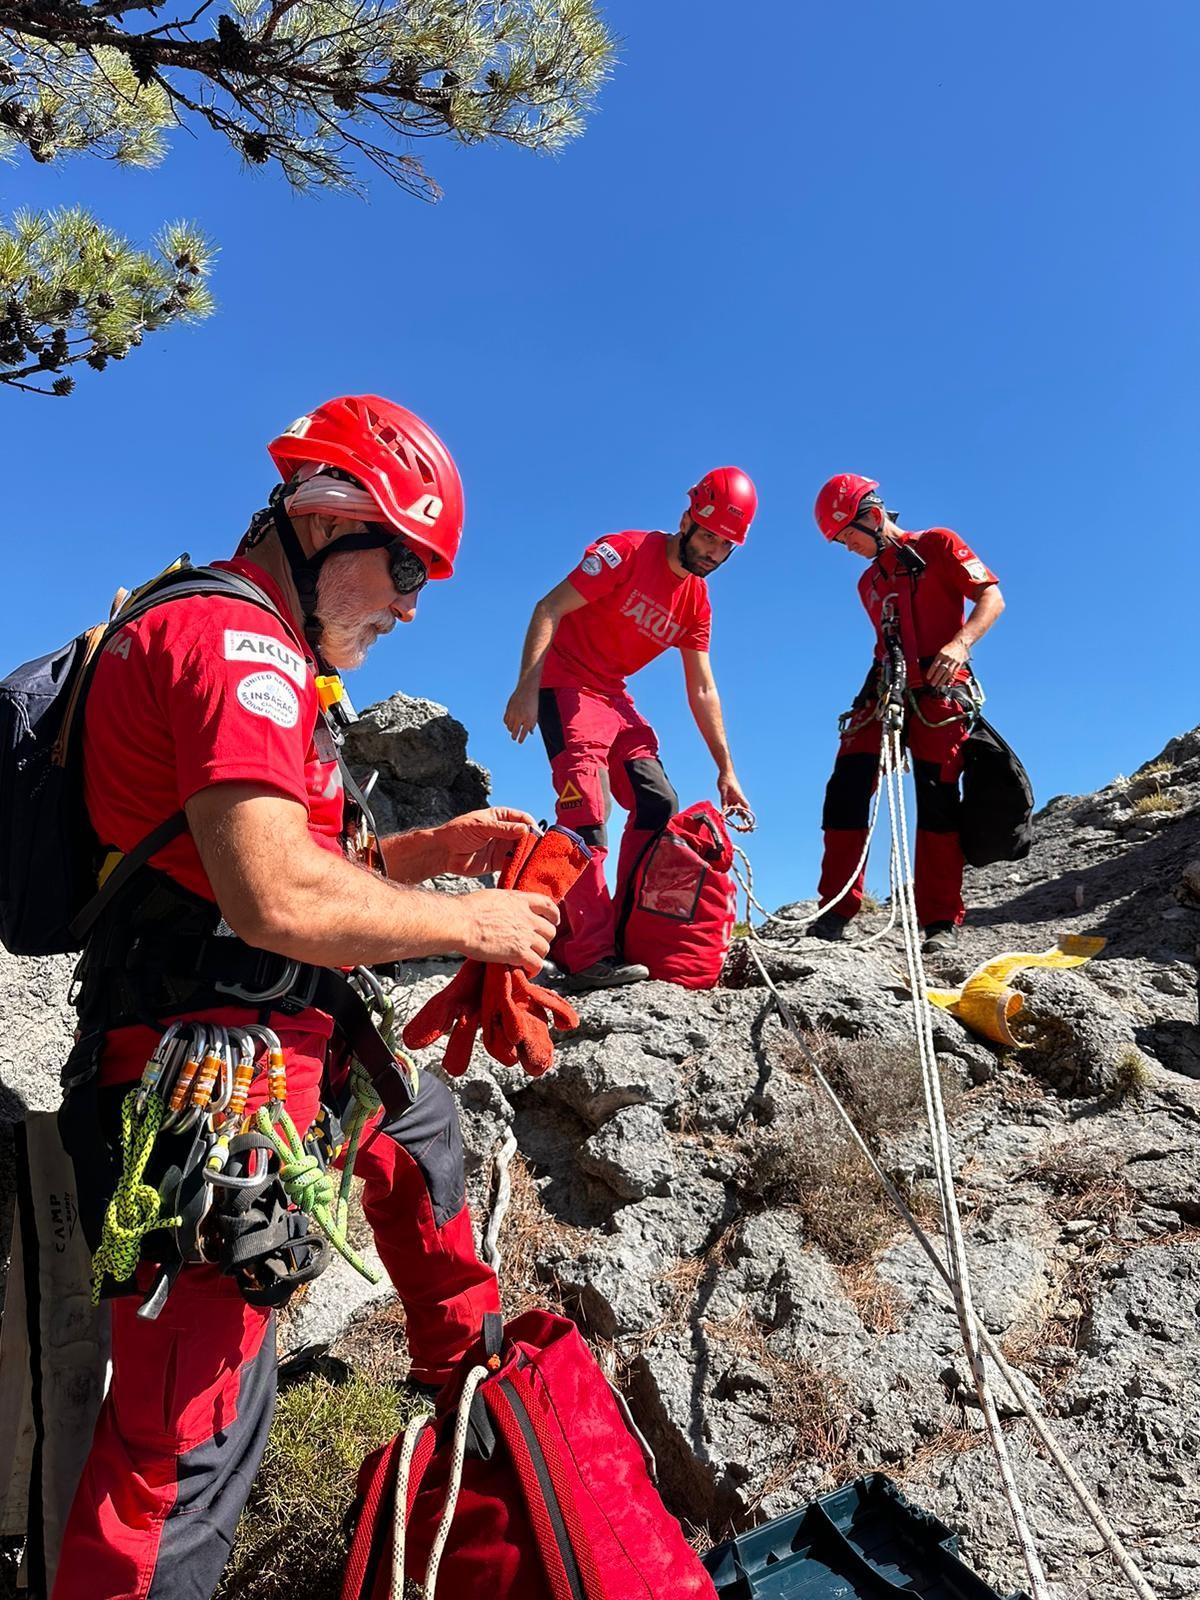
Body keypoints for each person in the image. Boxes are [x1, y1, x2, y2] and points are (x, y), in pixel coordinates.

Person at [52, 395, 560, 1600]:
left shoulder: (258, 655)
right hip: (202, 1078)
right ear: (330, 524)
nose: (410, 604)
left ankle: (467, 1397)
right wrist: (467, 922)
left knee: (422, 1129)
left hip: (284, 1044)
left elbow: (254, 871)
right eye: (404, 567)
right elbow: (277, 897)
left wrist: (418, 858)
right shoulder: (241, 655)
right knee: (183, 1447)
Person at [503, 469, 756, 989]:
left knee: (658, 802)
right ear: (687, 520)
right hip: (565, 685)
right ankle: (585, 953)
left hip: (614, 697)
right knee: (586, 815)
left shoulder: (697, 603)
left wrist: (726, 770)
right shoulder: (624, 553)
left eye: (725, 545)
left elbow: (702, 688)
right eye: (707, 535)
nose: (712, 551)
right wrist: (527, 687)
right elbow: (548, 606)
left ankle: (623, 931)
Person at [810, 473, 1005, 954]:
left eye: (848, 537)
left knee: (937, 796)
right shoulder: (868, 583)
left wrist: (960, 644)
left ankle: (939, 920)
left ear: (873, 517)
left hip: (941, 685)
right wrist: (875, 698)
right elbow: (885, 644)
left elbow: (991, 596)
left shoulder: (938, 544)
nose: (848, 548)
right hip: (886, 683)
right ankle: (836, 907)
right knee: (846, 787)